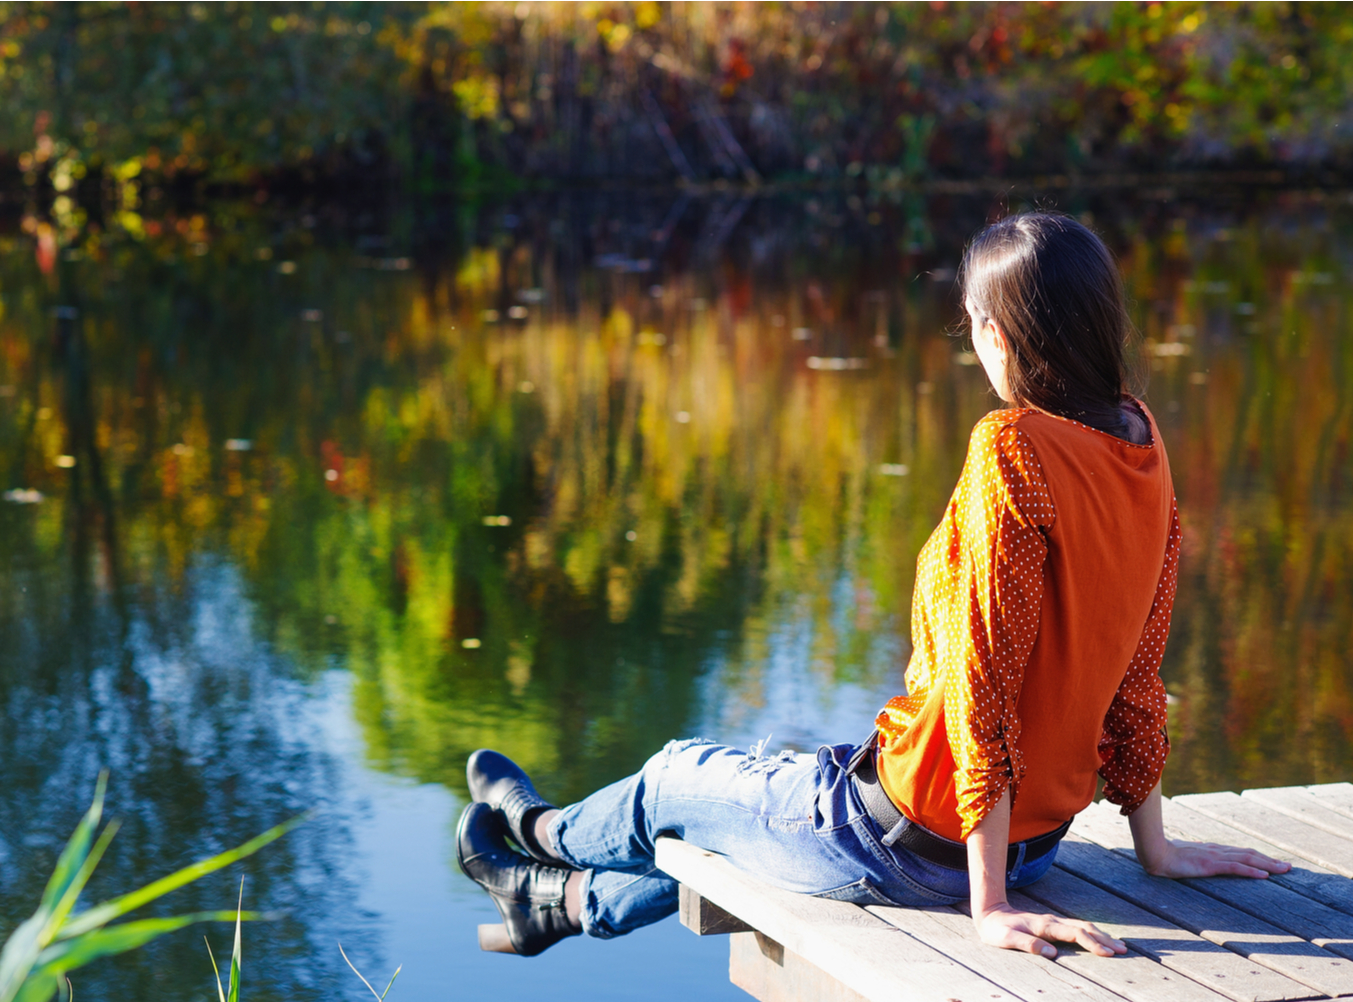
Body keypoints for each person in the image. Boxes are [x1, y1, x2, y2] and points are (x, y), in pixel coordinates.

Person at [455, 211, 1290, 959]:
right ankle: (561, 907)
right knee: (730, 824)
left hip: (911, 845)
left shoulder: (1013, 450)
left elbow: (981, 686)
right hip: (1034, 837)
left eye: (973, 329)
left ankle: (540, 831)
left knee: (674, 779)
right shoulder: (1142, 443)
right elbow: (1137, 667)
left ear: (1001, 336)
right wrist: (1156, 847)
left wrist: (989, 904)